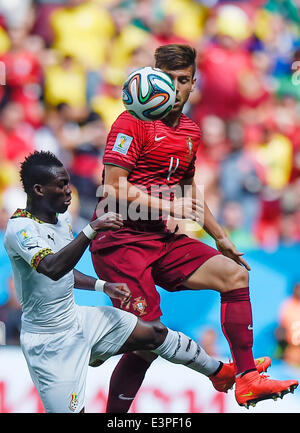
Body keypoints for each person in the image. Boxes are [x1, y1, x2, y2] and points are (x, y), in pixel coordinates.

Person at [90, 44, 298, 411]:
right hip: (120, 241)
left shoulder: (190, 131)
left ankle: (247, 379)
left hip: (161, 236)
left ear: (193, 83)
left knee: (234, 275)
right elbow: (112, 186)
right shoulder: (131, 121)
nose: (172, 89)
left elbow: (188, 190)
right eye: (166, 79)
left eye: (182, 80)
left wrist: (221, 237)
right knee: (145, 342)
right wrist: (169, 205)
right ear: (151, 77)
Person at [4, 150, 264, 414]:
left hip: (78, 321)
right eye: (60, 185)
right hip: (50, 342)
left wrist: (102, 286)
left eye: (68, 182)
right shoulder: (20, 228)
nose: (69, 190)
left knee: (154, 333)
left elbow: (65, 272)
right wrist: (92, 229)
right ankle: (98, 355)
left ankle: (219, 372)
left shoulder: (63, 220)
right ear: (38, 189)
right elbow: (52, 268)